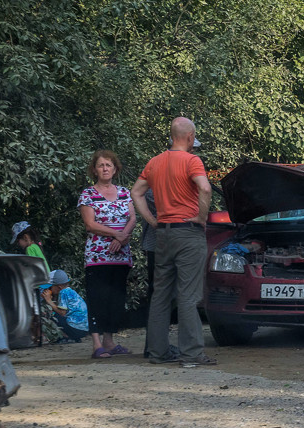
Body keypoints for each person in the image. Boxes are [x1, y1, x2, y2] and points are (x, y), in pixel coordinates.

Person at [131, 117, 216, 366]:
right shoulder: (192, 160)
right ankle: (191, 355)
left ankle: (158, 353)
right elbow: (206, 189)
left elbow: (136, 192)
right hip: (188, 233)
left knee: (160, 295)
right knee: (188, 295)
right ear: (190, 137)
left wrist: (151, 219)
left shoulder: (155, 162)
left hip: (163, 234)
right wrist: (201, 216)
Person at [78, 149, 136, 359]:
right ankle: (96, 344)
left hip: (121, 256)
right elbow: (90, 224)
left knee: (115, 298)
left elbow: (132, 218)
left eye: (108, 165)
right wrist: (117, 235)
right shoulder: (88, 194)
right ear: (94, 169)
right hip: (97, 256)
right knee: (97, 298)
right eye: (101, 165)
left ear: (115, 168)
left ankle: (109, 341)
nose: (105, 168)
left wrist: (123, 237)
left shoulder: (124, 192)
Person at [41, 270, 89, 344]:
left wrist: (49, 301)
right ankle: (73, 337)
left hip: (76, 329)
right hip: (83, 329)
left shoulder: (63, 292)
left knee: (53, 315)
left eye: (50, 288)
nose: (48, 289)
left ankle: (66, 337)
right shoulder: (70, 291)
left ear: (59, 287)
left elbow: (62, 313)